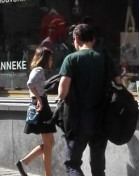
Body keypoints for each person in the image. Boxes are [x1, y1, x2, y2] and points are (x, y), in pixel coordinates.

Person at [57, 23, 116, 176]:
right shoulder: (104, 58)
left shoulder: (71, 59)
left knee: (72, 164)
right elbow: (119, 84)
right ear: (93, 39)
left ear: (76, 38)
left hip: (78, 120)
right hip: (101, 119)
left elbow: (62, 92)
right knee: (98, 166)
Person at [16, 47, 57, 176]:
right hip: (41, 105)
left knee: (49, 143)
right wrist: (39, 98)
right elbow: (30, 83)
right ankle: (47, 174)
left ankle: (24, 162)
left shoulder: (40, 70)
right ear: (45, 59)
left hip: (42, 104)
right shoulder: (39, 70)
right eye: (50, 58)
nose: (52, 61)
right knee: (49, 143)